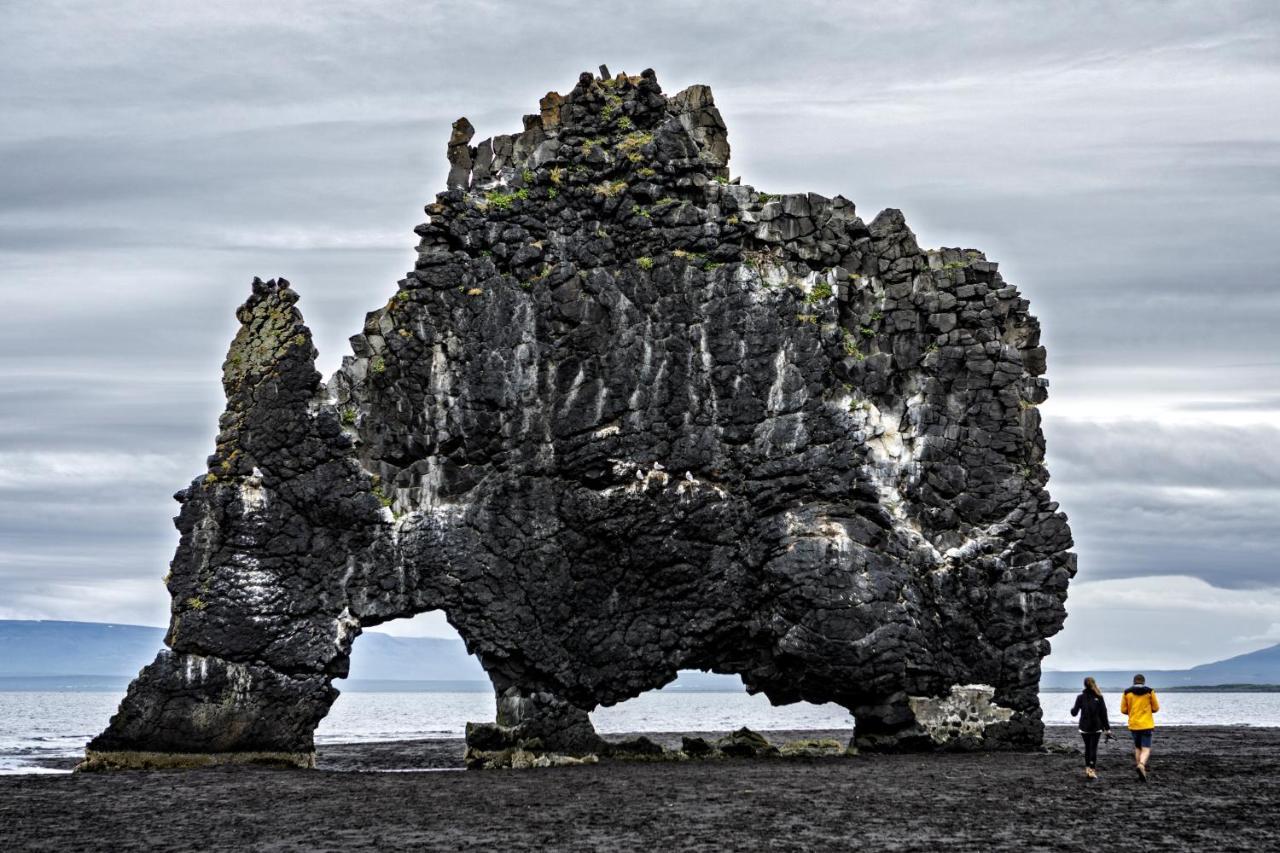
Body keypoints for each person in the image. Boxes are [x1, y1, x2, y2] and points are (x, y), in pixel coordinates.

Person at [1120, 673, 1160, 781]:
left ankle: (1139, 768)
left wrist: (1132, 711)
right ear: (1143, 681)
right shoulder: (1150, 691)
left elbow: (1123, 710)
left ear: (1134, 682)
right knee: (1146, 749)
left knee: (1138, 748)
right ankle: (1142, 765)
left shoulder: (1127, 692)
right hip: (1146, 724)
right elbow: (1156, 708)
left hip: (1134, 724)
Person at [1070, 676, 1111, 779]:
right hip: (1096, 727)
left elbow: (1074, 713)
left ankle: (1088, 769)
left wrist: (1071, 709)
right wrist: (1107, 729)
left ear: (1084, 685)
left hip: (1084, 727)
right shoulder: (1099, 697)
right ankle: (1092, 770)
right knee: (1093, 748)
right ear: (1094, 684)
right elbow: (1104, 714)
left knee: (1088, 748)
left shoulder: (1080, 697)